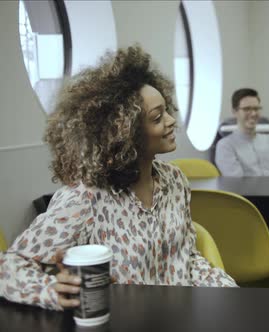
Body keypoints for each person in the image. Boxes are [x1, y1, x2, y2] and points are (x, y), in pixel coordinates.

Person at [0, 46, 237, 311]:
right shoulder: (85, 197)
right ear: (125, 133)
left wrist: (233, 295)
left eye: (167, 110)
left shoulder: (175, 181)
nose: (171, 121)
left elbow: (187, 259)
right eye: (157, 117)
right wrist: (50, 290)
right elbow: (8, 267)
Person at [215, 88, 269, 176]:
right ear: (235, 111)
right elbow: (237, 183)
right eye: (247, 109)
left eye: (256, 108)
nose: (253, 114)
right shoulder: (225, 146)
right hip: (246, 190)